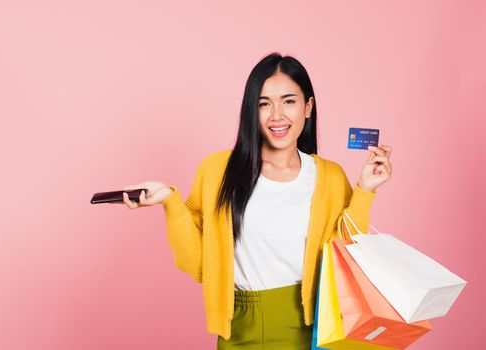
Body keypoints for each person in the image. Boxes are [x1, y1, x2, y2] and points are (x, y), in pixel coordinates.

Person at [118, 52, 392, 349]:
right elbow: (198, 264)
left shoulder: (330, 177)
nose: (277, 115)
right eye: (264, 104)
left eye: (289, 101)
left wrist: (365, 190)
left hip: (312, 327)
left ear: (308, 107)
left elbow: (345, 257)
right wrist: (171, 202)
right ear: (252, 110)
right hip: (238, 327)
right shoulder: (218, 171)